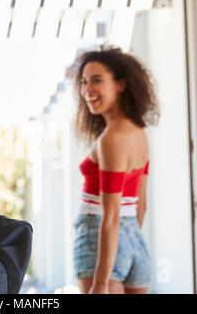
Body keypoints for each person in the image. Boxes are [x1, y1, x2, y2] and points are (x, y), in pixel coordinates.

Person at [67, 46, 159, 294]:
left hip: (100, 237)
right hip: (134, 240)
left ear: (121, 84)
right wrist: (129, 244)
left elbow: (111, 217)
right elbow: (141, 204)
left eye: (97, 80)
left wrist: (100, 284)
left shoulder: (112, 138)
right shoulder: (139, 133)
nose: (87, 90)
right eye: (84, 82)